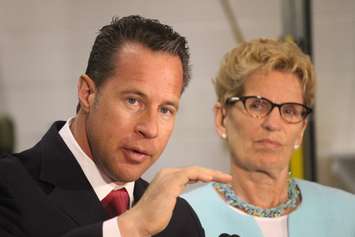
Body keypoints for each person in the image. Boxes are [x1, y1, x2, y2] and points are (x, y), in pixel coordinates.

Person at [0, 15, 231, 237]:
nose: (150, 129)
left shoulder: (178, 219)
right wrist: (131, 228)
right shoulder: (9, 186)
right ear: (87, 93)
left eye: (165, 110)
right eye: (133, 100)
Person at [183, 38, 355, 237]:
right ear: (222, 118)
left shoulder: (347, 214)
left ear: (301, 130)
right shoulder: (182, 218)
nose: (273, 124)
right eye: (257, 105)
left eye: (290, 111)